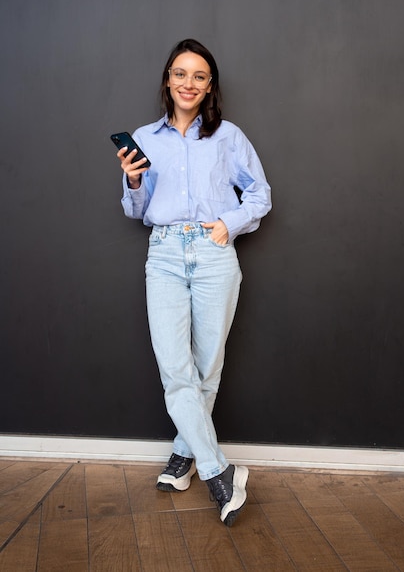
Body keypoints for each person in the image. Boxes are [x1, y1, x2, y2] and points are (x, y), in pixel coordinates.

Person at [116, 39, 271, 526]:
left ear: (209, 86)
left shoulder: (228, 136)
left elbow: (260, 195)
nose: (189, 83)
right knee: (175, 369)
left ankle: (183, 458)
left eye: (199, 76)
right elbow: (137, 213)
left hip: (213, 253)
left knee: (206, 365)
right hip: (163, 252)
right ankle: (219, 472)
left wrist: (231, 221)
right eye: (180, 74)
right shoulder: (146, 137)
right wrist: (134, 182)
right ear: (167, 79)